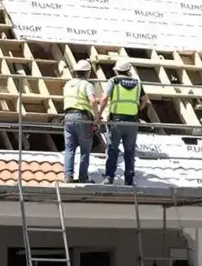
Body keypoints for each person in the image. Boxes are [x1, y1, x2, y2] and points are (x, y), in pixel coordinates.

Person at [96, 57, 147, 186]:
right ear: (129, 69)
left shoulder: (114, 81)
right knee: (129, 151)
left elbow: (105, 98)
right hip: (132, 122)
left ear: (117, 71)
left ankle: (109, 178)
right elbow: (145, 100)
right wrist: (136, 110)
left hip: (116, 121)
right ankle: (129, 180)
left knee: (112, 149)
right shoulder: (137, 83)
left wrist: (98, 115)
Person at [61, 59, 100, 183]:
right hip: (82, 118)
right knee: (85, 149)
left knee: (69, 149)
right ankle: (83, 177)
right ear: (87, 73)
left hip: (68, 117)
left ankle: (68, 176)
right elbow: (93, 101)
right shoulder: (87, 84)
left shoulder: (67, 84)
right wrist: (97, 117)